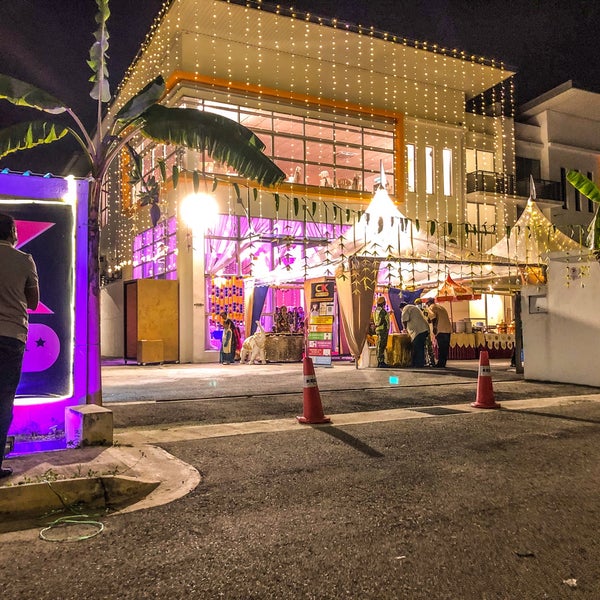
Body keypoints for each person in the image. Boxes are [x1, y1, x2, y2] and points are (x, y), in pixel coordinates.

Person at [0, 213, 39, 478]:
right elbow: (34, 301)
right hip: (11, 336)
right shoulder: (24, 260)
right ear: (13, 232)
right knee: (3, 401)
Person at [400, 301, 429, 368]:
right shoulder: (413, 307)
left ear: (401, 308)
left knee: (417, 347)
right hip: (424, 329)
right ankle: (420, 363)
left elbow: (404, 320)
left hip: (418, 331)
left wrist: (405, 329)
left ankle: (418, 364)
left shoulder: (406, 308)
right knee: (420, 347)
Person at [426, 299, 452, 368]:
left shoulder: (431, 307)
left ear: (429, 303)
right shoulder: (441, 307)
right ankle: (443, 363)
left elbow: (433, 317)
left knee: (441, 347)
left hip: (440, 329)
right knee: (445, 348)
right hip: (448, 329)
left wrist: (434, 327)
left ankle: (440, 364)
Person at [374, 296, 390, 368]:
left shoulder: (376, 310)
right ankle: (381, 362)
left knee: (379, 345)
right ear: (383, 303)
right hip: (383, 329)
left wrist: (376, 325)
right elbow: (382, 319)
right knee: (382, 346)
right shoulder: (382, 311)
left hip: (378, 330)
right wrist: (379, 324)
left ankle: (379, 361)